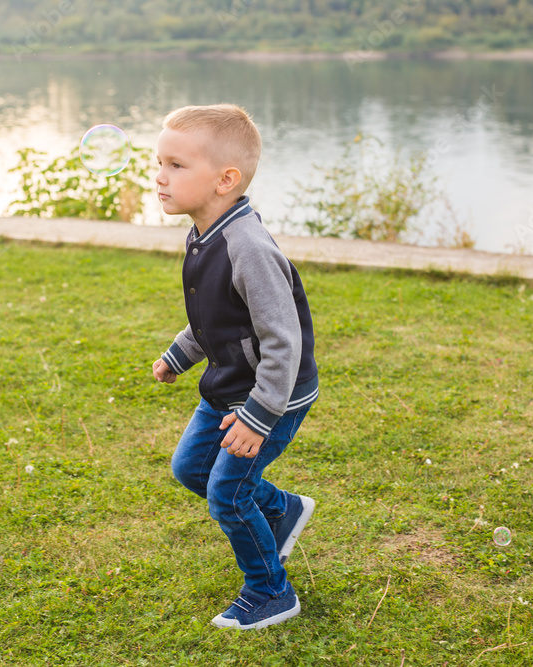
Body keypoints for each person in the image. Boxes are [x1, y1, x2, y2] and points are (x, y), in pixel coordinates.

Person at [151, 103, 319, 630]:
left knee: (227, 493)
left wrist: (258, 417)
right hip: (228, 388)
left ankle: (271, 592)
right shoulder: (205, 234)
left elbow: (283, 342)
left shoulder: (248, 247)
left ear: (225, 180)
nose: (160, 176)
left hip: (272, 396)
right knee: (191, 469)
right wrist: (178, 355)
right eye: (159, 163)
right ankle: (282, 510)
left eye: (177, 165)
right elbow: (215, 318)